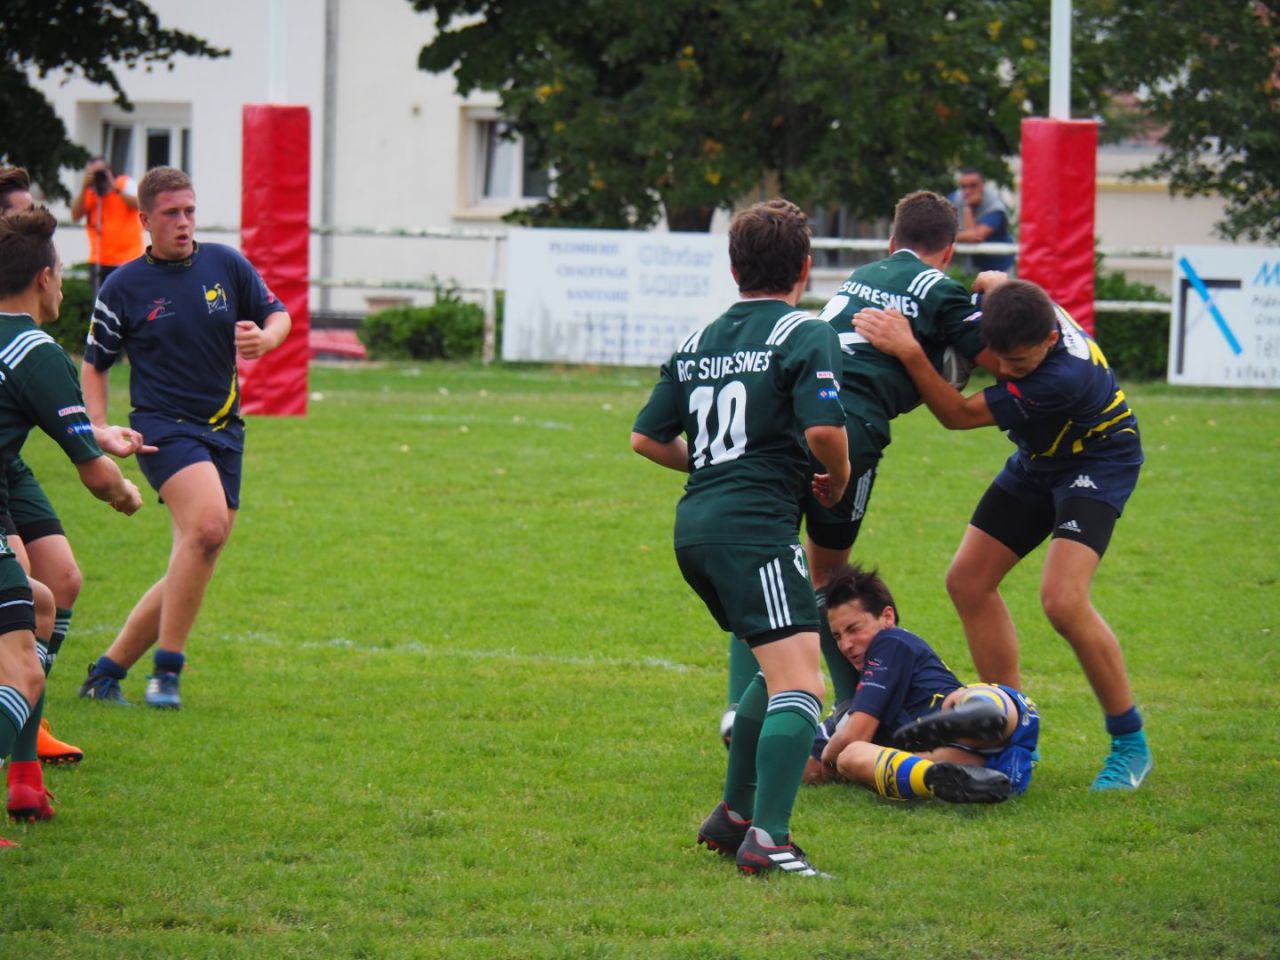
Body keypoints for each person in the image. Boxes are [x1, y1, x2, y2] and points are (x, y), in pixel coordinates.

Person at [854, 277, 1152, 791]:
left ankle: (1130, 743)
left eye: (1018, 363)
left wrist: (910, 351)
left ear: (1051, 339)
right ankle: (1013, 729)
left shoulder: (1061, 379)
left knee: (1063, 600)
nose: (1007, 370)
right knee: (967, 581)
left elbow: (956, 414)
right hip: (1040, 459)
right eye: (1001, 359)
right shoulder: (1024, 308)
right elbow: (991, 281)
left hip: (1098, 459)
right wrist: (976, 294)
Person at [632, 199, 850, 878]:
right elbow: (823, 431)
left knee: (773, 665)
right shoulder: (805, 332)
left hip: (696, 527)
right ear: (805, 267)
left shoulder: (698, 340)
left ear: (733, 268)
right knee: (803, 686)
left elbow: (646, 438)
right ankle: (770, 840)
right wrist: (838, 477)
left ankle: (733, 815)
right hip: (754, 530)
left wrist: (716, 469)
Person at [78, 166, 291, 710]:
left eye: (190, 211)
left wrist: (266, 339)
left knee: (198, 553)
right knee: (209, 528)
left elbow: (278, 314)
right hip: (163, 429)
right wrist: (99, 427)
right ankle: (166, 672)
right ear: (145, 220)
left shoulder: (225, 264)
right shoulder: (123, 286)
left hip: (225, 429)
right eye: (171, 213)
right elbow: (95, 363)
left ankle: (105, 674)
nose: (183, 222)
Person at [0, 207, 144, 843]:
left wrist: (97, 436)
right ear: (44, 278)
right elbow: (96, 477)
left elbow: (69, 427)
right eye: (60, 273)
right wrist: (126, 496)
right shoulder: (37, 350)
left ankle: (26, 775)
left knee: (44, 600)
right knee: (22, 671)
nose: (62, 284)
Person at [802, 564, 1037, 803]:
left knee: (959, 699)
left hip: (1001, 724)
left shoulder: (890, 641)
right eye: (837, 636)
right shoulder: (856, 701)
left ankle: (976, 714)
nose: (845, 645)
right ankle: (942, 777)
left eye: (853, 629)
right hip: (983, 766)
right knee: (851, 756)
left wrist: (828, 758)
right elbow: (808, 767)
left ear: (887, 617)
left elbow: (853, 734)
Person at [69, 158, 144, 296]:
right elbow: (75, 215)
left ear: (109, 171)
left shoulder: (124, 183)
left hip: (127, 258)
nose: (98, 177)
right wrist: (84, 187)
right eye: (93, 173)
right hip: (100, 260)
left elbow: (140, 204)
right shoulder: (90, 193)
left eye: (100, 172)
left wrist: (115, 188)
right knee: (102, 301)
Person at [948, 168, 1014, 272]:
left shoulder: (995, 207)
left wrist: (967, 207)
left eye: (973, 186)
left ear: (982, 186)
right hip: (969, 265)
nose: (967, 191)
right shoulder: (954, 198)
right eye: (963, 186)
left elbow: (975, 237)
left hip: (998, 266)